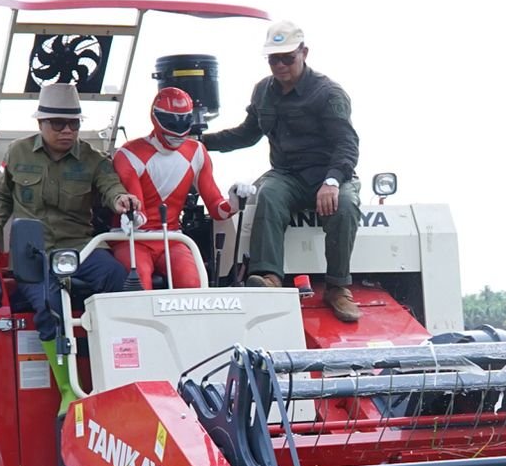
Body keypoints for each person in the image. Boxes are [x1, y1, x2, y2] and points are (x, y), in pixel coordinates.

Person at [0, 83, 141, 411]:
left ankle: (116, 377)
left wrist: (123, 199)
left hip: (82, 248)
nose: (67, 130)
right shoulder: (17, 153)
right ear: (41, 124)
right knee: (49, 305)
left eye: (74, 124)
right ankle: (68, 391)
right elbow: (2, 198)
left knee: (120, 284)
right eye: (58, 124)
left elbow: (111, 187)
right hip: (34, 251)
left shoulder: (93, 159)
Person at [204, 20, 362, 323]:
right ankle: (270, 277)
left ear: (304, 52)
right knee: (269, 194)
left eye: (287, 57)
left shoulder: (328, 93)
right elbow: (247, 134)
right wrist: (199, 142)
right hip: (287, 174)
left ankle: (338, 287)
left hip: (328, 173)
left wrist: (331, 181)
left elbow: (347, 145)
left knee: (343, 206)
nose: (280, 65)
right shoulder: (263, 91)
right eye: (273, 58)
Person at [111, 87, 240, 290]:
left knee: (192, 282)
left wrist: (234, 203)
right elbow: (138, 214)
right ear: (155, 118)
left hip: (171, 238)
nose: (178, 130)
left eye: (184, 121)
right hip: (131, 239)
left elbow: (217, 208)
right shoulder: (129, 153)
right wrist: (133, 218)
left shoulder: (197, 152)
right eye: (172, 122)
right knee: (138, 283)